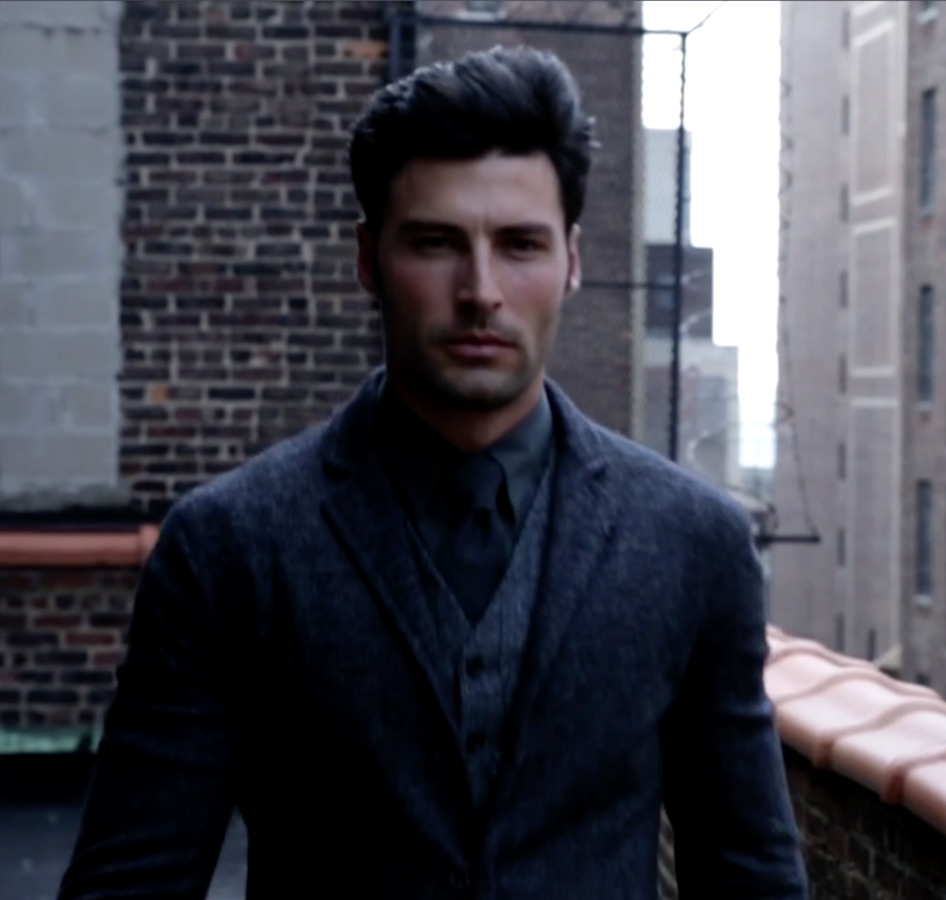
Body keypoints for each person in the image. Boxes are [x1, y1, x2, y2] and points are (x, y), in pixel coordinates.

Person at [60, 46, 807, 898]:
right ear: (369, 260)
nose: (480, 289)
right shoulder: (230, 546)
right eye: (436, 243)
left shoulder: (692, 543)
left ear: (572, 259)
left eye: (519, 244)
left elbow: (751, 877)